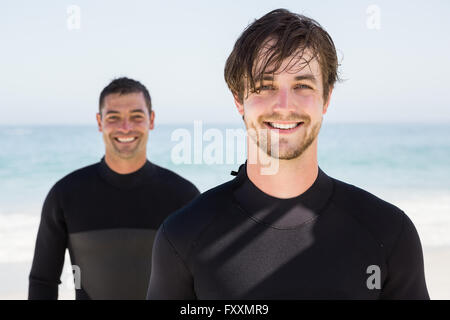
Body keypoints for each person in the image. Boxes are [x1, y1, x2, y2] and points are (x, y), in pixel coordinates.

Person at [147, 9, 429, 299]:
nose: (284, 105)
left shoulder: (389, 232)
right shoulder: (182, 237)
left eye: (302, 85)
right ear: (238, 99)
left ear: (326, 97)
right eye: (265, 86)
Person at [29, 77, 200, 299]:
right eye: (113, 117)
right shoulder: (65, 195)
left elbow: (203, 282)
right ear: (100, 122)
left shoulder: (184, 196)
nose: (125, 127)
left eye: (136, 116)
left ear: (152, 119)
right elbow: (43, 280)